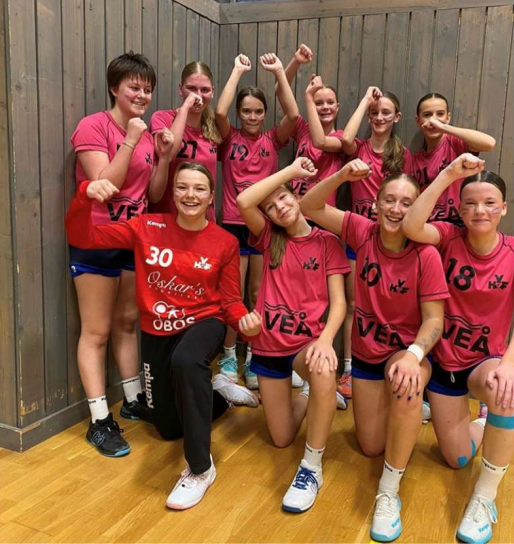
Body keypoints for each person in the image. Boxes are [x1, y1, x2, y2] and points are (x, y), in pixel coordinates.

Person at [66, 161, 262, 509]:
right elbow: (84, 238)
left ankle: (200, 469)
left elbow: (230, 300)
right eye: (182, 187)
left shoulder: (225, 242)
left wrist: (244, 320)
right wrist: (85, 195)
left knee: (187, 361)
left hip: (204, 322)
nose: (190, 195)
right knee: (169, 428)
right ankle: (219, 394)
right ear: (172, 193)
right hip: (157, 331)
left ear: (211, 197)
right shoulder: (147, 226)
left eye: (199, 189)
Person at [300, 159, 450, 541]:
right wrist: (341, 176)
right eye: (389, 200)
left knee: (406, 384)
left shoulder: (426, 254)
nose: (396, 209)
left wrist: (414, 356)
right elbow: (309, 206)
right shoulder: (362, 231)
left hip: (406, 352)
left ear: (417, 209)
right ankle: (403, 417)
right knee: (369, 446)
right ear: (376, 204)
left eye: (406, 203)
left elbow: (435, 320)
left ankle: (389, 490)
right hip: (367, 353)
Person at [402, 153, 513, 544]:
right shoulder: (449, 238)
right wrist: (449, 173)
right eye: (470, 204)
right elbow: (412, 225)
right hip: (445, 363)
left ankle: (485, 497)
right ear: (460, 210)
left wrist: (509, 365)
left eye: (489, 203)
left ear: (503, 208)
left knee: (506, 391)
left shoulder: (513, 252)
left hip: (486, 362)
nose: (479, 210)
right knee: (458, 458)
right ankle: (481, 422)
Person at [69, 51, 174, 457]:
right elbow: (105, 185)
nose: (143, 95)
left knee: (127, 322)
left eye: (148, 89)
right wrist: (130, 138)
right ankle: (99, 420)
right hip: (96, 236)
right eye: (134, 87)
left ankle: (132, 399)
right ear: (115, 88)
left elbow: (155, 194)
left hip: (133, 238)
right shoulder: (94, 125)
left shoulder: (146, 134)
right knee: (96, 331)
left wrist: (163, 157)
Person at [236, 157, 350, 513]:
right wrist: (291, 171)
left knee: (323, 369)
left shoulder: (327, 242)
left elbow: (339, 303)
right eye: (271, 207)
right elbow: (243, 201)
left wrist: (326, 340)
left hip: (305, 345)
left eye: (284, 198)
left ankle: (311, 466)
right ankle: (313, 397)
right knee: (282, 439)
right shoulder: (270, 237)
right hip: (268, 348)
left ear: (297, 197)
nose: (279, 208)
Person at [215, 53, 299, 389]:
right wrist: (237, 70)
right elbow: (219, 113)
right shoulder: (229, 138)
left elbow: (293, 115)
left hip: (264, 227)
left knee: (257, 291)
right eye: (247, 111)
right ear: (240, 113)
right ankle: (228, 355)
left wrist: (279, 72)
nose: (252, 117)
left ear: (265, 114)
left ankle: (253, 356)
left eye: (258, 111)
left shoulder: (272, 140)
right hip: (232, 225)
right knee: (234, 294)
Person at [150, 61, 222, 218]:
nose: (198, 96)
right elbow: (168, 154)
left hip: (203, 219)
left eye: (205, 90)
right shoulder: (162, 118)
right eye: (191, 88)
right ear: (180, 89)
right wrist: (185, 108)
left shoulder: (214, 127)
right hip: (167, 216)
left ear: (212, 92)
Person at [412, 93, 496, 224]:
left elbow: (489, 143)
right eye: (427, 115)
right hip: (429, 224)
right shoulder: (415, 159)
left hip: (460, 221)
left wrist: (443, 127)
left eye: (440, 114)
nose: (433, 120)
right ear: (418, 120)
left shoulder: (455, 142)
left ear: (448, 117)